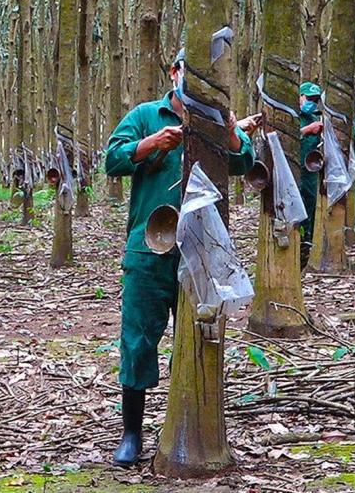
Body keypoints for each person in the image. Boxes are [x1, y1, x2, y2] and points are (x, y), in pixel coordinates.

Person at [102, 52, 254, 466]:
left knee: (199, 335)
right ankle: (131, 433)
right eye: (185, 71)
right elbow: (111, 160)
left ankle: (192, 423)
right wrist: (151, 144)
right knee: (138, 339)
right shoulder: (145, 114)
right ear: (174, 74)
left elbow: (245, 162)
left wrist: (231, 132)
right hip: (149, 246)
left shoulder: (216, 118)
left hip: (203, 248)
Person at [297, 82, 325, 260]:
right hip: (295, 169)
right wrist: (307, 131)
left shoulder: (315, 117)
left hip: (311, 169)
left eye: (315, 100)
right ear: (300, 97)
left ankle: (307, 240)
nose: (312, 103)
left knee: (310, 202)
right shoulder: (293, 116)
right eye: (309, 98)